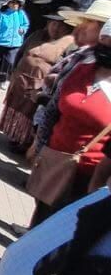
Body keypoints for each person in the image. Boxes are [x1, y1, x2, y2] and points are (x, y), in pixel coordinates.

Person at [27, 18, 111, 227]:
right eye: (104, 43)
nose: (105, 49)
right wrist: (38, 145)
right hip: (55, 161)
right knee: (41, 219)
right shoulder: (79, 70)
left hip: (89, 177)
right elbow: (52, 111)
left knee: (62, 231)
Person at [0, 13, 74, 153]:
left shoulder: (69, 44)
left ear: (67, 27)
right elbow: (22, 51)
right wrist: (14, 70)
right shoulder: (38, 35)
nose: (55, 27)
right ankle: (14, 135)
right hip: (21, 79)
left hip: (39, 85)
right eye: (53, 23)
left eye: (60, 25)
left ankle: (25, 143)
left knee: (30, 113)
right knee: (16, 107)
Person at [0, 0, 29, 88]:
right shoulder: (1, 14)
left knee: (8, 63)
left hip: (15, 44)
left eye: (17, 3)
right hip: (1, 42)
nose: (15, 5)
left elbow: (25, 24)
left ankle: (2, 80)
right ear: (8, 3)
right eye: (13, 2)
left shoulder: (21, 14)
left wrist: (23, 29)